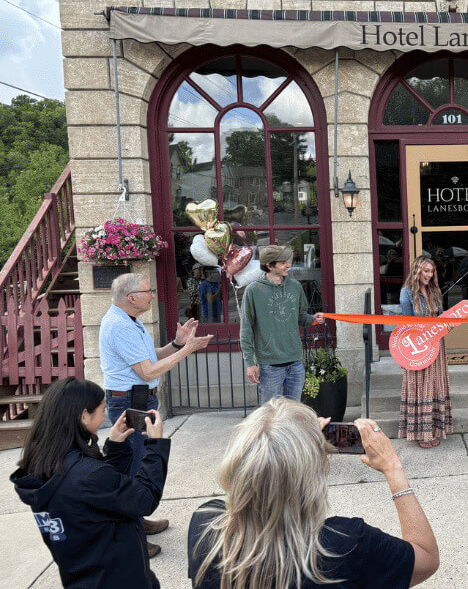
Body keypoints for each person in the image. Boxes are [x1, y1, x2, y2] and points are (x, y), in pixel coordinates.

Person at [187, 398, 439, 588]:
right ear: (309, 476)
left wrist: (297, 445)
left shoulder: (205, 526)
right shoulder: (345, 545)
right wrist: (392, 467)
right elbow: (426, 558)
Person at [10, 377, 169, 589]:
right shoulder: (87, 475)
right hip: (118, 578)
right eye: (102, 410)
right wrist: (155, 445)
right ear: (85, 415)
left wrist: (116, 448)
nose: (104, 416)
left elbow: (106, 497)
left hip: (83, 574)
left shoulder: (43, 464)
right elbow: (144, 499)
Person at [99, 273, 211, 554]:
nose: (153, 295)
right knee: (132, 469)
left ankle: (136, 519)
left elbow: (151, 358)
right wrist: (187, 350)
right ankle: (130, 535)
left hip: (136, 400)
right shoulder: (120, 326)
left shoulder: (128, 320)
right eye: (148, 291)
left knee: (135, 465)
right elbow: (147, 371)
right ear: (131, 298)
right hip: (129, 403)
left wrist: (176, 343)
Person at [240, 244, 325, 403]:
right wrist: (250, 363)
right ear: (269, 266)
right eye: (283, 262)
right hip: (269, 366)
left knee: (293, 412)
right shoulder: (253, 291)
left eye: (288, 261)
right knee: (270, 414)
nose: (289, 265)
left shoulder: (295, 286)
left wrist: (313, 319)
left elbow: (301, 317)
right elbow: (246, 329)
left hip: (295, 362)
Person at [399, 256, 453, 449]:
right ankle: (422, 433)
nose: (429, 275)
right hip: (417, 345)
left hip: (436, 344)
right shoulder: (406, 292)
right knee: (420, 386)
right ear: (417, 271)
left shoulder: (435, 291)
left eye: (432, 272)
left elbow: (440, 316)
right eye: (426, 271)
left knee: (435, 385)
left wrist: (449, 323)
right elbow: (406, 324)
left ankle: (436, 429)